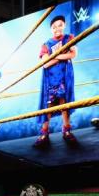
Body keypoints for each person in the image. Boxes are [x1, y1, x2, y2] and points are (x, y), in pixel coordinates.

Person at [34, 15, 78, 148]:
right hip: (50, 78)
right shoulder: (46, 44)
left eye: (59, 25)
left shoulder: (69, 38)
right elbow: (45, 64)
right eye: (54, 26)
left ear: (64, 25)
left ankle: (67, 130)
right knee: (49, 105)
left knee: (64, 103)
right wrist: (61, 55)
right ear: (51, 29)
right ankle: (44, 133)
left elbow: (73, 54)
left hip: (64, 76)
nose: (57, 28)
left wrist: (55, 55)